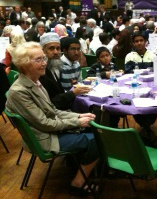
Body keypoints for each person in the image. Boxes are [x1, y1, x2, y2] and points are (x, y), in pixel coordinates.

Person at [5, 42, 99, 195]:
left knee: (93, 129)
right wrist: (77, 121)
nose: (44, 63)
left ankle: (83, 170)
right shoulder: (19, 91)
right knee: (97, 139)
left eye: (44, 59)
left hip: (46, 132)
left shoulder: (35, 82)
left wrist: (79, 115)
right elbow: (45, 123)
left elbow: (52, 111)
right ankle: (78, 183)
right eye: (39, 60)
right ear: (24, 64)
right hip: (44, 139)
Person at [39, 33, 90, 110]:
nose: (56, 52)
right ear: (43, 51)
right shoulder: (40, 72)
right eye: (51, 48)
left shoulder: (54, 65)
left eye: (58, 48)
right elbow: (51, 102)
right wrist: (73, 93)